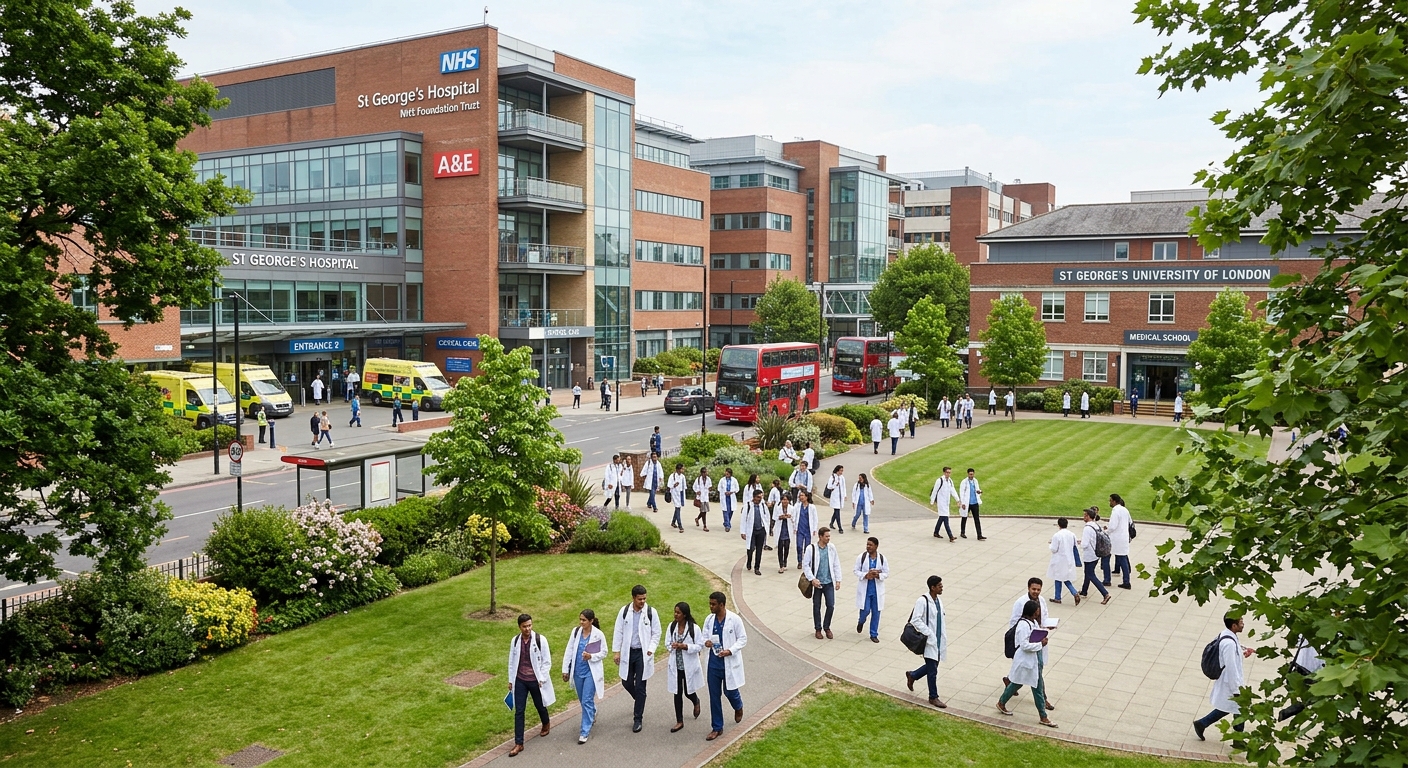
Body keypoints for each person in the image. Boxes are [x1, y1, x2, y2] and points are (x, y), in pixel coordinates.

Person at [1194, 614, 1254, 741]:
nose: (1243, 624)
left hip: (1231, 681)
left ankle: (1202, 724)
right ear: (1234, 625)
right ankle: (1238, 740)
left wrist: (1244, 650)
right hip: (1230, 682)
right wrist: (1237, 690)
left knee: (1230, 708)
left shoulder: (1227, 635)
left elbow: (1233, 653)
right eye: (1241, 621)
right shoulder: (1229, 644)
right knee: (1238, 708)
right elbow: (1231, 667)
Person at [996, 600, 1056, 727]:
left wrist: (1044, 633)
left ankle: (1001, 703)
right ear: (1033, 612)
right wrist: (1040, 644)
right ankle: (1043, 717)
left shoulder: (1032, 622)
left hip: (1033, 661)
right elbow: (1024, 645)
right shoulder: (1023, 625)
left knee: (1017, 684)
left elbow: (1035, 634)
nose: (1039, 612)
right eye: (1037, 610)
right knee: (1036, 689)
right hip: (1026, 661)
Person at [612, 585, 661, 733]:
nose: (642, 601)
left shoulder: (651, 612)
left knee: (640, 686)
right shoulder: (624, 611)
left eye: (644, 598)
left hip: (642, 654)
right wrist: (616, 651)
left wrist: (651, 649)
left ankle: (638, 718)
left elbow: (656, 633)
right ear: (633, 598)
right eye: (640, 599)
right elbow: (618, 631)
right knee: (626, 682)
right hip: (628, 652)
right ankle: (639, 699)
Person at [507, 613, 555, 757]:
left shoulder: (540, 640)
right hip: (520, 679)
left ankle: (546, 722)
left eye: (529, 625)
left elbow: (547, 661)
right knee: (519, 711)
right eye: (524, 626)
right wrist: (511, 680)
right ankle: (519, 743)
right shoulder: (515, 641)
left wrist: (542, 677)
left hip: (535, 680)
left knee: (540, 705)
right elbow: (511, 661)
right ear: (519, 627)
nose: (527, 629)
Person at [702, 591, 747, 741]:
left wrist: (730, 650)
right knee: (714, 696)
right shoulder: (709, 620)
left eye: (713, 604)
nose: (711, 606)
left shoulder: (734, 620)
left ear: (722, 605)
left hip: (728, 662)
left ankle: (738, 706)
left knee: (730, 692)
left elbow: (742, 639)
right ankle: (717, 727)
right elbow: (703, 636)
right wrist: (706, 642)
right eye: (710, 603)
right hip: (713, 665)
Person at [561, 609, 608, 745]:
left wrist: (591, 656)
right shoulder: (575, 632)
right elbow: (569, 650)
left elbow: (604, 652)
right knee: (583, 700)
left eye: (584, 620)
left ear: (591, 621)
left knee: (587, 700)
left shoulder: (598, 634)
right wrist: (566, 669)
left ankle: (584, 731)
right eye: (580, 619)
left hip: (591, 673)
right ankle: (593, 711)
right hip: (577, 672)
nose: (581, 622)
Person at [904, 575, 949, 708]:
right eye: (939, 586)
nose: (942, 587)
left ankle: (913, 675)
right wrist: (929, 633)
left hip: (938, 640)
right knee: (932, 670)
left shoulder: (938, 601)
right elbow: (916, 620)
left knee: (933, 665)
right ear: (932, 587)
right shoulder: (922, 601)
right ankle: (933, 697)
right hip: (929, 640)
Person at [666, 602, 704, 733]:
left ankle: (696, 701)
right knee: (677, 693)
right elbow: (667, 643)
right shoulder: (672, 627)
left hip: (689, 665)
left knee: (688, 691)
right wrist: (672, 646)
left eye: (678, 613)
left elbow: (700, 646)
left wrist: (685, 646)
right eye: (675, 612)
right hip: (676, 665)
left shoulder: (694, 628)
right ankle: (679, 721)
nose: (675, 615)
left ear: (685, 614)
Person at [803, 526, 842, 639]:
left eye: (829, 536)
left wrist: (838, 580)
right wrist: (812, 579)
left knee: (830, 605)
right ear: (820, 537)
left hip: (829, 582)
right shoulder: (811, 549)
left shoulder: (831, 548)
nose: (828, 538)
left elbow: (836, 563)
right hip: (817, 584)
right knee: (817, 607)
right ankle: (818, 629)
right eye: (826, 536)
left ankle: (827, 627)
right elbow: (806, 565)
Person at [1277, 638, 1323, 721]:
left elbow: (1297, 639)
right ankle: (1301, 705)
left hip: (1304, 663)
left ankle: (1300, 705)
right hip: (1317, 665)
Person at [853, 536, 888, 643]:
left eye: (870, 545)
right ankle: (861, 621)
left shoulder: (882, 559)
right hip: (865, 589)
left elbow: (886, 573)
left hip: (877, 590)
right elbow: (855, 571)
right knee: (865, 610)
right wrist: (865, 575)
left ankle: (874, 633)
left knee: (876, 612)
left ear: (876, 546)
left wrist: (878, 575)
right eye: (867, 544)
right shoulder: (862, 557)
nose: (868, 547)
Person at [1079, 507, 1111, 604]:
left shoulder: (1087, 528)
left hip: (1089, 554)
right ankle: (1084, 590)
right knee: (1088, 572)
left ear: (1088, 516)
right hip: (1096, 553)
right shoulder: (1096, 525)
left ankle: (1105, 593)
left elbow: (1084, 544)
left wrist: (1079, 544)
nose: (1083, 517)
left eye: (1084, 515)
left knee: (1090, 574)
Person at [1046, 519, 1080, 604]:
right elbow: (1075, 545)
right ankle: (1060, 596)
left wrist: (1050, 544)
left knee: (1058, 578)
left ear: (1058, 525)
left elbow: (1054, 549)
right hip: (1069, 559)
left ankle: (1070, 593)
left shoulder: (1057, 535)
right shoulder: (1072, 534)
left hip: (1059, 560)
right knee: (1064, 577)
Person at [740, 490, 771, 576]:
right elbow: (743, 519)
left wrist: (767, 528)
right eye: (758, 497)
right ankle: (749, 561)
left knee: (759, 549)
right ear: (754, 497)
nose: (760, 499)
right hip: (751, 530)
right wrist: (743, 531)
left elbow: (767, 517)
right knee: (750, 548)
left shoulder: (763, 506)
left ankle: (757, 567)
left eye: (761, 497)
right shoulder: (748, 506)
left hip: (761, 530)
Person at [1107, 494, 1133, 590]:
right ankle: (1125, 579)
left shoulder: (1115, 511)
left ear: (1114, 501)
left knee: (1122, 558)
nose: (1109, 502)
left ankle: (1126, 581)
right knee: (1122, 557)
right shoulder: (1125, 510)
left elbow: (1113, 526)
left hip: (1118, 538)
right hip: (1123, 537)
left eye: (1110, 501)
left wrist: (1106, 531)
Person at [930, 466, 960, 541]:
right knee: (945, 518)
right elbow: (935, 491)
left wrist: (957, 499)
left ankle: (936, 532)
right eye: (947, 472)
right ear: (944, 472)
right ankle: (950, 536)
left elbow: (952, 490)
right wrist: (932, 501)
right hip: (941, 502)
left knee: (941, 518)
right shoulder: (939, 480)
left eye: (949, 473)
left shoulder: (950, 481)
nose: (948, 474)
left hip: (946, 502)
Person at [958, 468, 985, 540]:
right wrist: (963, 503)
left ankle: (979, 535)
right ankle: (962, 532)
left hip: (975, 502)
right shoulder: (964, 482)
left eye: (972, 474)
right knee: (964, 517)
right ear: (968, 474)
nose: (971, 475)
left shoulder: (975, 481)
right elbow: (962, 493)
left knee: (977, 519)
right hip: (967, 503)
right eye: (970, 474)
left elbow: (977, 489)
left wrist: (979, 492)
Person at [794, 491, 818, 569]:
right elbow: (794, 516)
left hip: (808, 530)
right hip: (800, 529)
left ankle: (806, 562)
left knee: (807, 547)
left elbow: (815, 518)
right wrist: (794, 527)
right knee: (799, 546)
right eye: (800, 495)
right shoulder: (797, 506)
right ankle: (799, 561)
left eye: (802, 495)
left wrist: (814, 528)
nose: (801, 497)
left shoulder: (812, 507)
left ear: (806, 497)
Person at [771, 495, 796, 574]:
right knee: (780, 547)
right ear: (781, 500)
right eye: (783, 500)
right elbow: (774, 517)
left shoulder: (792, 508)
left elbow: (794, 518)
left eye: (786, 500)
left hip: (788, 530)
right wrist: (780, 517)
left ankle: (785, 561)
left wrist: (790, 517)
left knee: (787, 547)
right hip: (780, 529)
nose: (785, 501)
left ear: (789, 501)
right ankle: (781, 565)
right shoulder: (777, 508)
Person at [825, 465, 847, 533]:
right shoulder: (832, 477)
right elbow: (829, 486)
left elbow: (844, 487)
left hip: (840, 497)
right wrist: (835, 484)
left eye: (842, 471)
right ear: (837, 470)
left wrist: (845, 495)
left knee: (836, 511)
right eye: (840, 470)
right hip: (835, 497)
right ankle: (840, 527)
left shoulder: (842, 477)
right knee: (837, 511)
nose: (841, 472)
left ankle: (831, 523)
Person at [717, 467, 740, 533]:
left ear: (730, 474)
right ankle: (728, 526)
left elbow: (737, 489)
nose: (726, 475)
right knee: (725, 511)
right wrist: (724, 492)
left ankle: (726, 522)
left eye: (728, 474)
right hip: (724, 497)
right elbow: (719, 488)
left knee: (730, 511)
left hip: (731, 497)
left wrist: (731, 492)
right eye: (726, 473)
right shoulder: (722, 480)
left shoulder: (734, 480)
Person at [668, 463, 688, 532]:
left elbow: (684, 486)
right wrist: (674, 485)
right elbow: (669, 485)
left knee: (678, 508)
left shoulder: (683, 477)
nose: (683, 470)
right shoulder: (672, 476)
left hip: (681, 494)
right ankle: (680, 525)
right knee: (678, 508)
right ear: (678, 469)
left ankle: (673, 522)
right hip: (675, 494)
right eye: (682, 468)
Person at [692, 467, 713, 531]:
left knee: (704, 511)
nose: (706, 473)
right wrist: (697, 491)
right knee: (703, 512)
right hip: (700, 497)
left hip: (706, 497)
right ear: (702, 473)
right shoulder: (698, 479)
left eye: (706, 472)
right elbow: (694, 487)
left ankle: (697, 519)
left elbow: (710, 486)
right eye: (705, 472)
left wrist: (710, 489)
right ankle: (704, 526)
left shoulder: (708, 479)